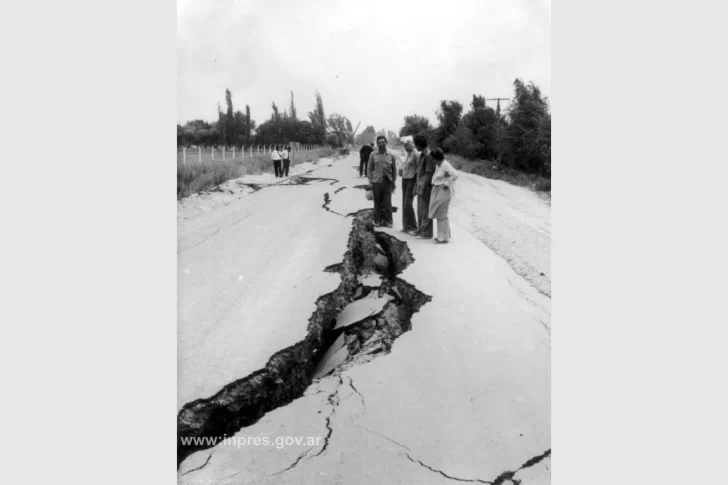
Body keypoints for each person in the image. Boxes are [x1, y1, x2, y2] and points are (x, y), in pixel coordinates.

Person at [428, 148, 458, 243]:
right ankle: (442, 235)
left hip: (443, 191)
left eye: (433, 158)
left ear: (437, 158)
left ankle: (443, 238)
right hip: (438, 190)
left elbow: (455, 175)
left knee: (442, 214)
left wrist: (447, 184)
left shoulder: (445, 165)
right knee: (439, 213)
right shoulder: (439, 165)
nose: (432, 160)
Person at [367, 136, 397, 227]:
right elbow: (369, 169)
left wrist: (393, 182)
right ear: (377, 143)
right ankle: (378, 221)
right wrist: (370, 182)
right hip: (376, 182)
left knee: (387, 203)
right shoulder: (373, 155)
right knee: (377, 203)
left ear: (386, 142)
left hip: (387, 182)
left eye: (383, 142)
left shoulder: (391, 155)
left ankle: (388, 221)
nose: (381, 144)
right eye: (379, 142)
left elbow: (394, 170)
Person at [413, 134, 435, 239]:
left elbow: (429, 174)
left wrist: (422, 188)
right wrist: (416, 186)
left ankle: (426, 233)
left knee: (425, 210)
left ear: (419, 145)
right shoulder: (422, 155)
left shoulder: (429, 156)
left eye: (415, 144)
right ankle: (420, 230)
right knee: (420, 210)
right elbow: (419, 173)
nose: (415, 146)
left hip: (426, 187)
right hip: (420, 185)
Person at [400, 139, 419, 234]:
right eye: (405, 145)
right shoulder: (408, 153)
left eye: (407, 145)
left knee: (408, 204)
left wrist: (416, 183)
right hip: (405, 179)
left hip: (412, 180)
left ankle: (414, 226)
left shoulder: (416, 154)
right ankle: (406, 226)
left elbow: (419, 169)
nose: (406, 147)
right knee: (404, 203)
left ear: (412, 144)